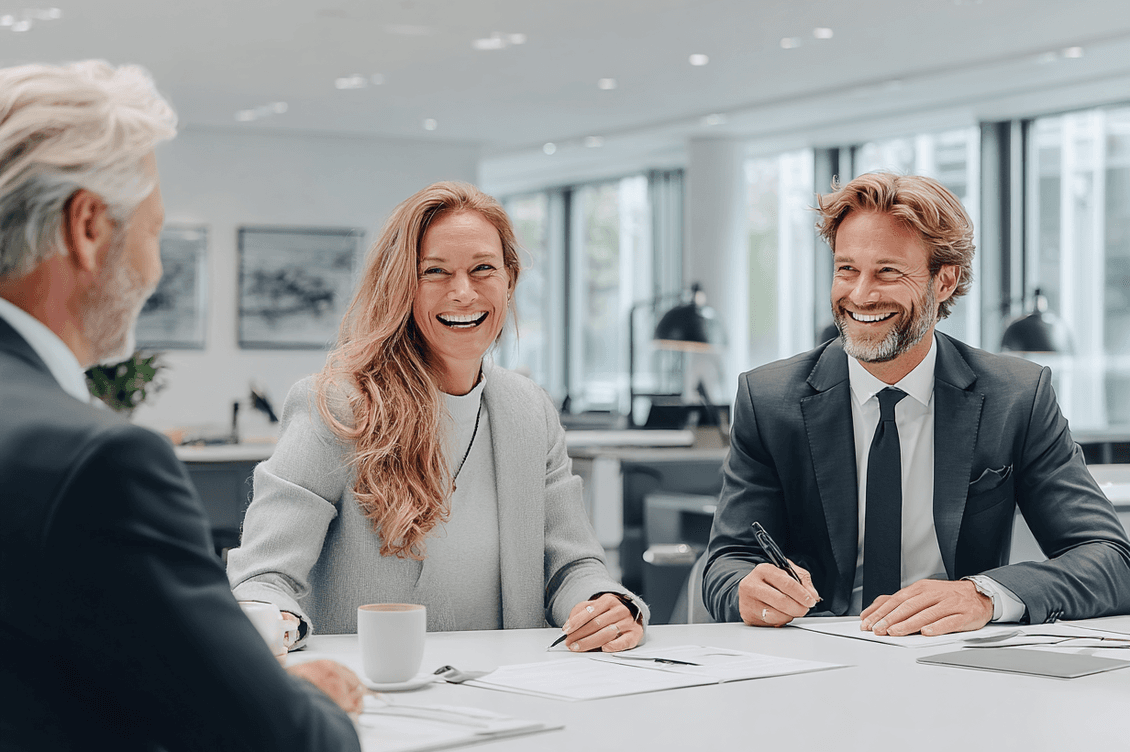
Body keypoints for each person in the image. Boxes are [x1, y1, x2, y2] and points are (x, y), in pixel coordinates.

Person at [0, 61, 362, 751]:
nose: (156, 268)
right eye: (153, 230)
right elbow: (282, 741)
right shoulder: (99, 463)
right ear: (86, 227)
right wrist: (304, 702)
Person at [227, 181, 647, 653]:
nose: (463, 293)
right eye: (436, 272)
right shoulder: (337, 406)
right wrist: (276, 617)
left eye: (482, 269)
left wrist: (600, 604)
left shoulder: (529, 411)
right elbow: (263, 576)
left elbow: (571, 566)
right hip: (374, 693)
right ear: (402, 284)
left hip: (506, 691)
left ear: (509, 280)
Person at [703, 172, 1130, 637]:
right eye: (846, 269)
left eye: (887, 271)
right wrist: (747, 586)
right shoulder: (769, 400)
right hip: (815, 654)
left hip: (954, 658)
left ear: (944, 281)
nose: (861, 295)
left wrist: (983, 595)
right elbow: (726, 562)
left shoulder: (1017, 396)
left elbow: (1110, 560)